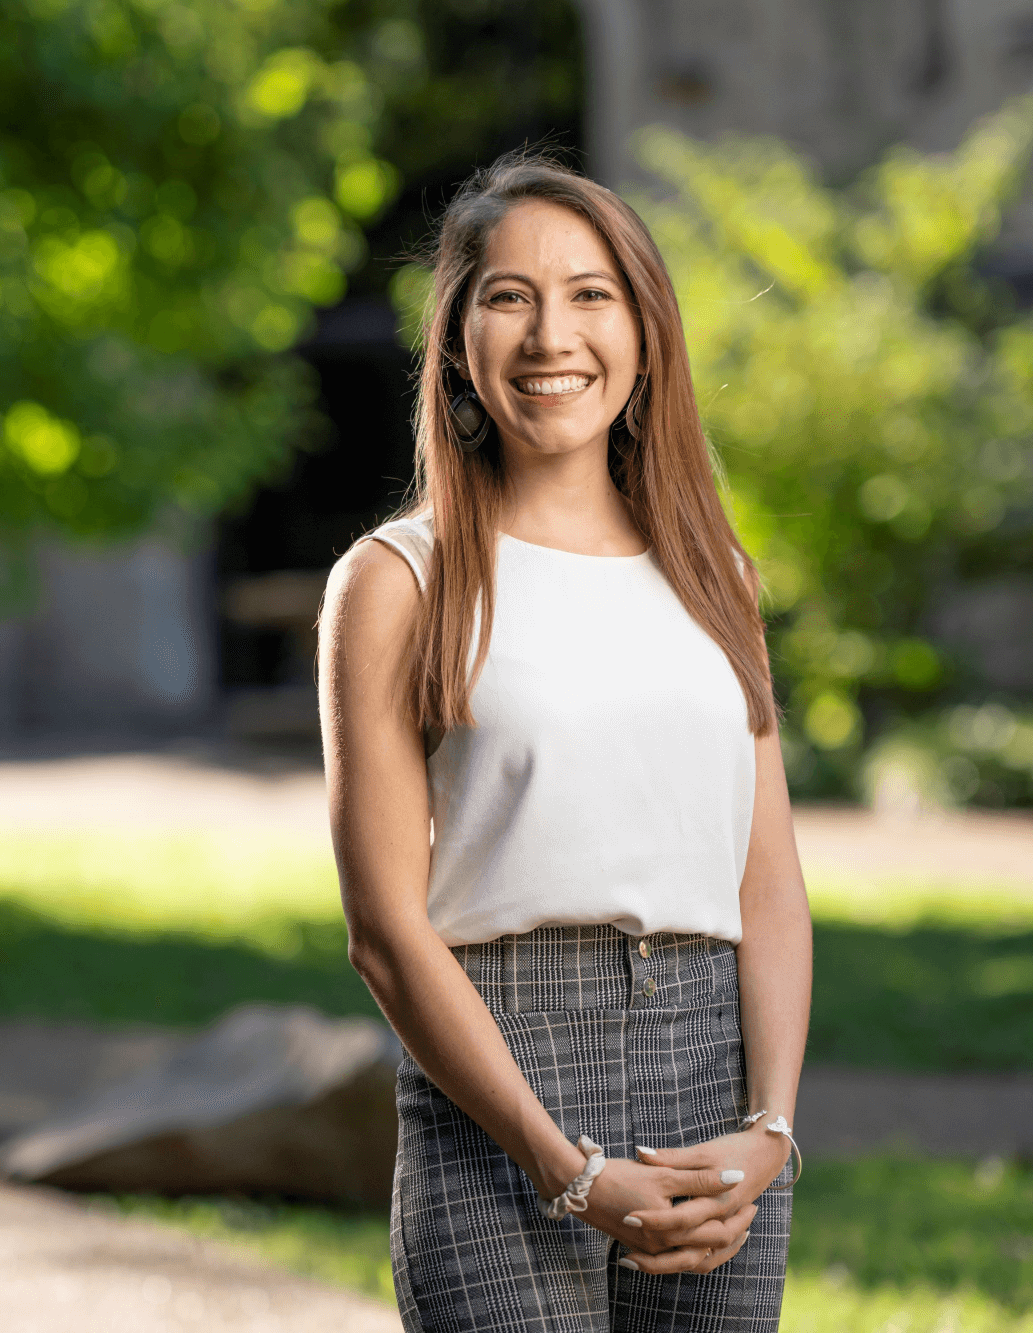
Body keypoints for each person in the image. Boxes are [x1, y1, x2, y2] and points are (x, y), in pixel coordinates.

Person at [316, 150, 813, 1332]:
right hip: (496, 1089)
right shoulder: (394, 581)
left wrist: (771, 1129)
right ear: (456, 340)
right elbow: (385, 932)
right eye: (508, 296)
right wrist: (561, 1164)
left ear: (643, 333)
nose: (551, 336)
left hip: (714, 1089)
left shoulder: (715, 578)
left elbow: (770, 881)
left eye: (590, 294)